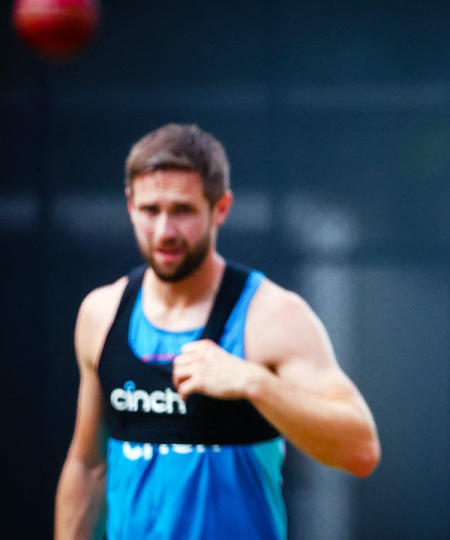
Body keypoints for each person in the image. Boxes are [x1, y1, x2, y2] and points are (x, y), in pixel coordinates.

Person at [54, 123, 381, 539]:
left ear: (220, 207)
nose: (165, 231)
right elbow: (89, 466)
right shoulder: (101, 313)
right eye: (151, 210)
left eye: (183, 210)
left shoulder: (272, 315)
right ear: (130, 206)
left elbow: (360, 450)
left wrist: (256, 383)